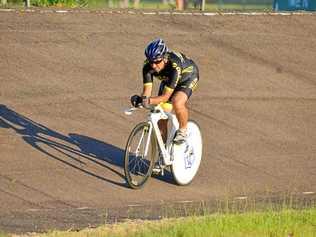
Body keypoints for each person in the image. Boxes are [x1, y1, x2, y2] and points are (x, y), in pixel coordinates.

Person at [130, 38, 199, 144]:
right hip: (169, 81)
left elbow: (166, 97)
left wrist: (148, 101)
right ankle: (163, 155)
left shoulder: (173, 66)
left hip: (187, 77)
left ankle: (183, 130)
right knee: (161, 116)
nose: (153, 65)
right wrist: (141, 100)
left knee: (177, 101)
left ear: (164, 58)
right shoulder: (147, 67)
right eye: (150, 61)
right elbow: (146, 92)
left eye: (157, 61)